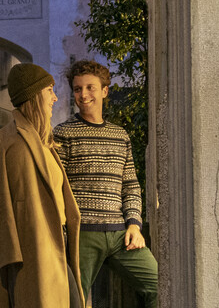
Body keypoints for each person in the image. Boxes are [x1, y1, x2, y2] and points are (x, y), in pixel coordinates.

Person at [54, 60, 158, 307]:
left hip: (121, 235)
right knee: (74, 302)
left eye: (90, 87)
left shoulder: (120, 135)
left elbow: (130, 186)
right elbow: (56, 188)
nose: (83, 95)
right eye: (78, 89)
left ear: (104, 91)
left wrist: (134, 225)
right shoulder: (63, 133)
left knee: (158, 285)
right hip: (83, 236)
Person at [0, 63, 84, 308]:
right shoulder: (2, 142)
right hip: (33, 251)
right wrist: (11, 261)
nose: (55, 97)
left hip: (59, 244)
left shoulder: (45, 142)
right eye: (50, 90)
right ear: (35, 95)